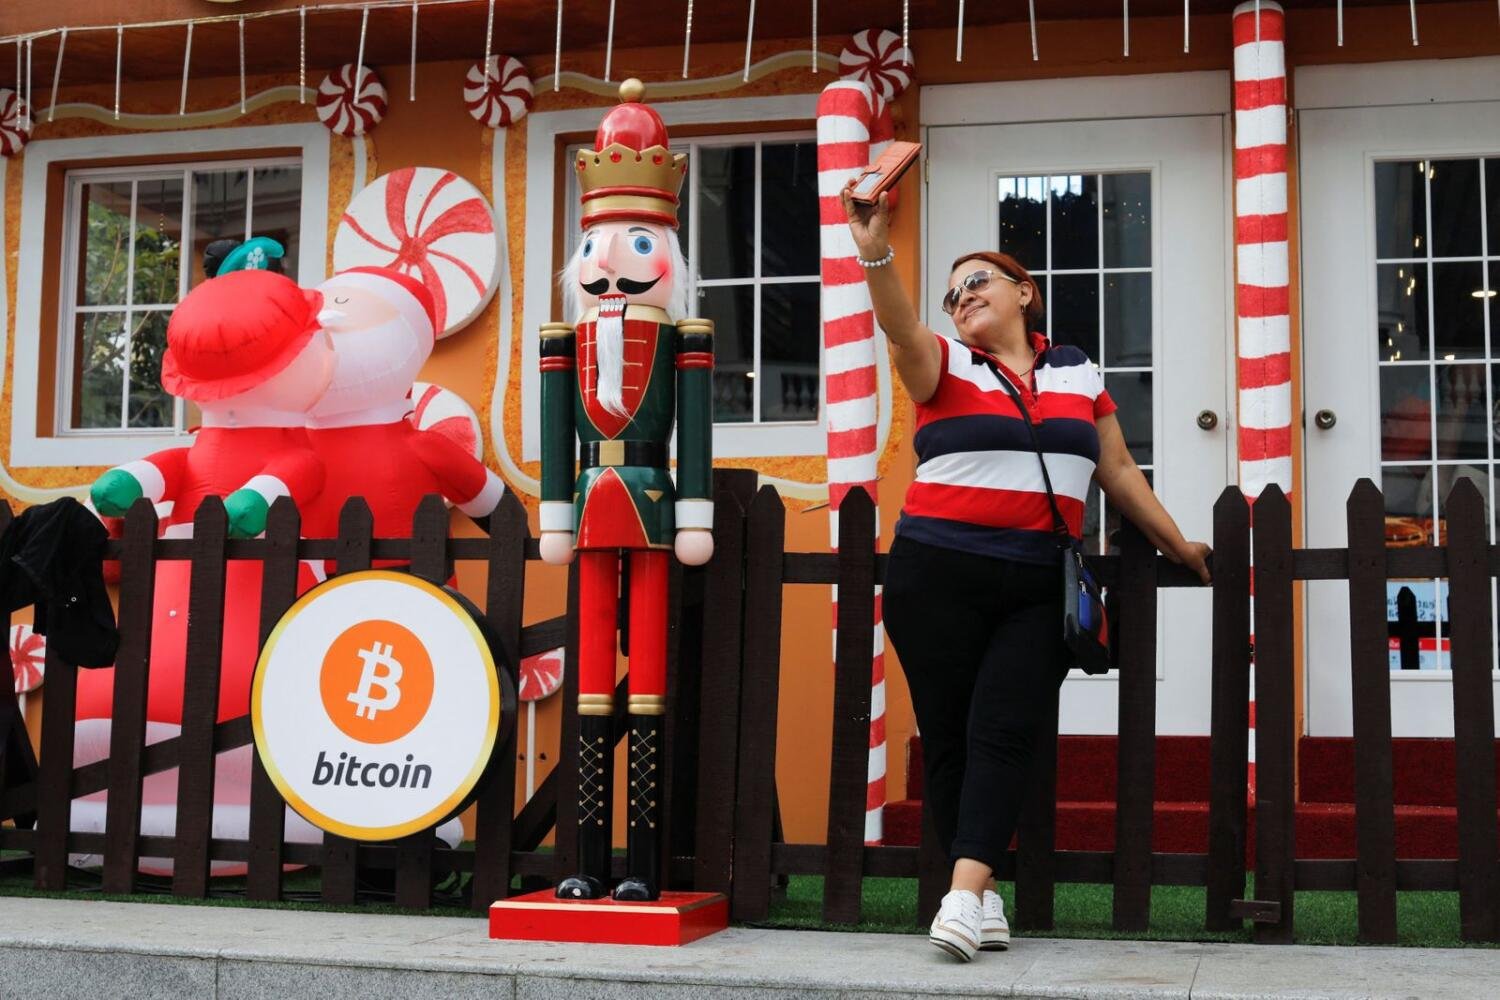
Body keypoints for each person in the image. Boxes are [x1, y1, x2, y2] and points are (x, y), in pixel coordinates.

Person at [842, 181, 1212, 961]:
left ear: (1024, 292)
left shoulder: (1077, 370)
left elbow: (1117, 468)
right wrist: (875, 251)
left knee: (1005, 730)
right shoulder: (943, 362)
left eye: (978, 280)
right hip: (934, 574)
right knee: (950, 740)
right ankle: (979, 897)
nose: (962, 297)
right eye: (953, 294)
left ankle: (961, 895)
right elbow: (899, 325)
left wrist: (1178, 544)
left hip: (1037, 581)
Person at [538, 78, 715, 902]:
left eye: (638, 242)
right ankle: (584, 861)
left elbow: (697, 430)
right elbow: (554, 430)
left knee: (646, 679)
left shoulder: (686, 337)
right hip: (590, 498)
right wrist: (555, 509)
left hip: (650, 499)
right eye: (598, 244)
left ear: (671, 255)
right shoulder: (563, 338)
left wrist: (694, 510)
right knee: (589, 683)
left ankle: (640, 865)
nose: (609, 263)